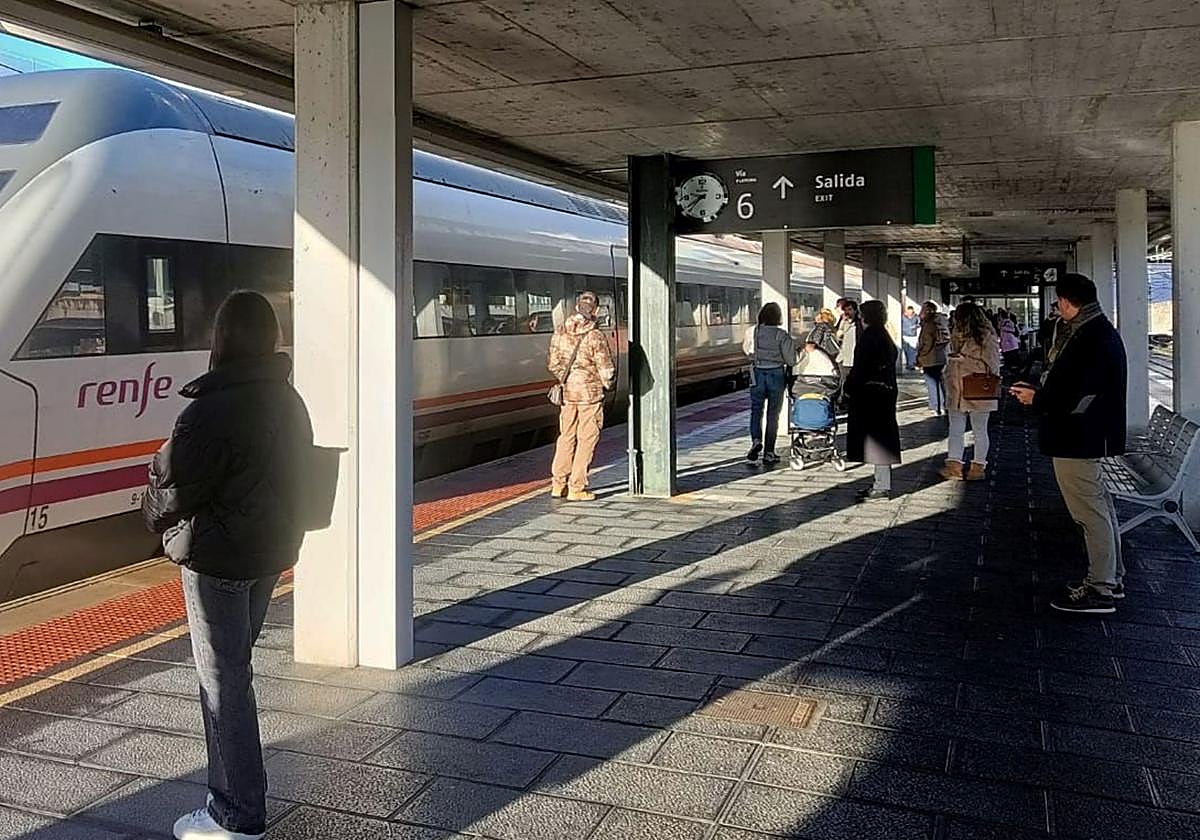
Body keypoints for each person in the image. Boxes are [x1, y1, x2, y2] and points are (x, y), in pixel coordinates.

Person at [143, 291, 314, 840]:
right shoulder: (288, 400)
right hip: (267, 555)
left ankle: (236, 815)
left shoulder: (207, 410)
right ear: (269, 337)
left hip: (215, 559)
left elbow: (169, 493)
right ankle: (230, 804)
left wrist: (156, 521)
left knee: (223, 685)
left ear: (220, 339)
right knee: (233, 675)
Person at [1010, 274, 1128, 614]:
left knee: (1088, 513)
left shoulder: (1090, 337)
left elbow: (1079, 393)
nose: (1057, 309)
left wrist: (1038, 399)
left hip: (1078, 436)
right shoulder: (1097, 331)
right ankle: (1111, 579)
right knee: (1098, 509)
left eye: (1057, 302)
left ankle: (1101, 588)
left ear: (1065, 301)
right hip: (1087, 434)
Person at [548, 290, 616, 501]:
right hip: (590, 395)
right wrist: (607, 384)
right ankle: (577, 487)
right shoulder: (595, 335)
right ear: (595, 309)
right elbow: (607, 369)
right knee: (587, 439)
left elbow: (552, 363)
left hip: (568, 394)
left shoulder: (560, 331)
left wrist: (568, 378)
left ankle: (558, 484)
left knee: (566, 437)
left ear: (577, 306)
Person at [845, 300, 901, 501]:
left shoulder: (869, 337)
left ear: (866, 316)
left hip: (871, 395)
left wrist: (848, 387)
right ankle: (880, 482)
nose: (859, 317)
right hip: (884, 393)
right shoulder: (884, 334)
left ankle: (882, 486)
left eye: (861, 314)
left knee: (878, 441)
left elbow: (860, 367)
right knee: (881, 438)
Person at [941, 302, 1001, 481]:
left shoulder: (986, 336)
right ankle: (957, 466)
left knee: (977, 430)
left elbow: (992, 365)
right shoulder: (957, 335)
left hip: (976, 388)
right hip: (957, 389)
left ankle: (976, 467)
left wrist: (964, 360)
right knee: (961, 429)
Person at [743, 302, 797, 465]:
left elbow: (747, 351)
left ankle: (756, 440)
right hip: (776, 374)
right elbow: (791, 360)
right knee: (773, 414)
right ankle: (769, 453)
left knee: (756, 410)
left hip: (757, 373)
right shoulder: (782, 334)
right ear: (778, 317)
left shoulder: (752, 331)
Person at [916, 301, 950, 415]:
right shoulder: (941, 321)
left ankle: (936, 406)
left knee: (931, 383)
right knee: (941, 382)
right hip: (941, 356)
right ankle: (944, 405)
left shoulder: (929, 324)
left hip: (930, 358)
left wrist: (921, 355)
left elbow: (927, 342)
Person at [901, 305, 919, 370]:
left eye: (911, 312)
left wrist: (915, 326)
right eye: (909, 312)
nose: (910, 313)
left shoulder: (916, 317)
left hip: (913, 336)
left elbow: (920, 323)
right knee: (906, 350)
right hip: (904, 335)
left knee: (912, 351)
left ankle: (911, 365)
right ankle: (908, 363)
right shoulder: (903, 317)